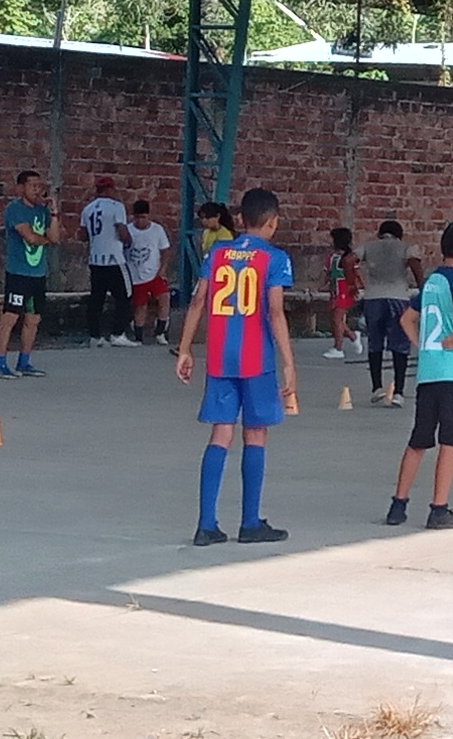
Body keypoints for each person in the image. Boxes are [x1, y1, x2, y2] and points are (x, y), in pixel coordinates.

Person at [177, 184, 297, 546]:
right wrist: (288, 362)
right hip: (256, 358)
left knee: (221, 433)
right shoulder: (275, 258)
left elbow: (198, 302)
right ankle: (250, 522)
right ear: (273, 222)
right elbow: (275, 312)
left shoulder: (217, 253)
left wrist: (185, 348)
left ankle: (206, 524)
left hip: (220, 357)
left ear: (241, 219)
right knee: (255, 433)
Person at [389, 219, 453, 529]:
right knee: (450, 442)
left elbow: (406, 319)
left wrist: (421, 344)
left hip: (428, 373)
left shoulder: (431, 283)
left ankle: (398, 504)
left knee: (419, 439)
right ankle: (438, 508)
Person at [0, 169, 51, 376]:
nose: (37, 189)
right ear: (21, 188)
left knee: (33, 319)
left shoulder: (43, 211)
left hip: (38, 274)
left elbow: (56, 235)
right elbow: (31, 238)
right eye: (32, 185)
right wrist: (47, 240)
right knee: (10, 317)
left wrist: (54, 213)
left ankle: (24, 362)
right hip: (19, 273)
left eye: (39, 185)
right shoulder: (15, 209)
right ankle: (0, 364)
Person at [356, 214, 416, 407]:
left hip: (373, 297)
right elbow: (415, 263)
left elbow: (348, 260)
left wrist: (352, 283)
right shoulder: (406, 247)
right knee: (400, 345)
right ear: (399, 234)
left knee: (375, 343)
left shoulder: (368, 246)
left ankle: (377, 388)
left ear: (380, 233)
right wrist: (423, 286)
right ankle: (398, 392)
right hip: (398, 297)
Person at [80, 174, 132, 346]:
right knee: (125, 296)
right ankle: (118, 334)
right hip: (114, 259)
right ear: (110, 189)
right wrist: (128, 241)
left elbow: (82, 235)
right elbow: (122, 232)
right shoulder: (116, 207)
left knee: (96, 299)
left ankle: (95, 336)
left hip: (96, 260)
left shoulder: (88, 209)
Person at [123, 195, 172, 349]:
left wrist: (162, 269)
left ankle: (160, 332)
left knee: (164, 299)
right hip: (135, 275)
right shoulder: (128, 230)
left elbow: (165, 250)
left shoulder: (157, 230)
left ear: (149, 216)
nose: (140, 221)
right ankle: (139, 336)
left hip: (155, 273)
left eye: (143, 217)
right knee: (140, 306)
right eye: (137, 218)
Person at [326, 226, 362, 362]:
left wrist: (361, 287)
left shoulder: (349, 257)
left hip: (345, 289)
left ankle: (338, 348)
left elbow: (357, 274)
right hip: (334, 290)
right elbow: (327, 274)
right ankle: (353, 336)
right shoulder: (331, 257)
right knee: (335, 319)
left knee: (337, 319)